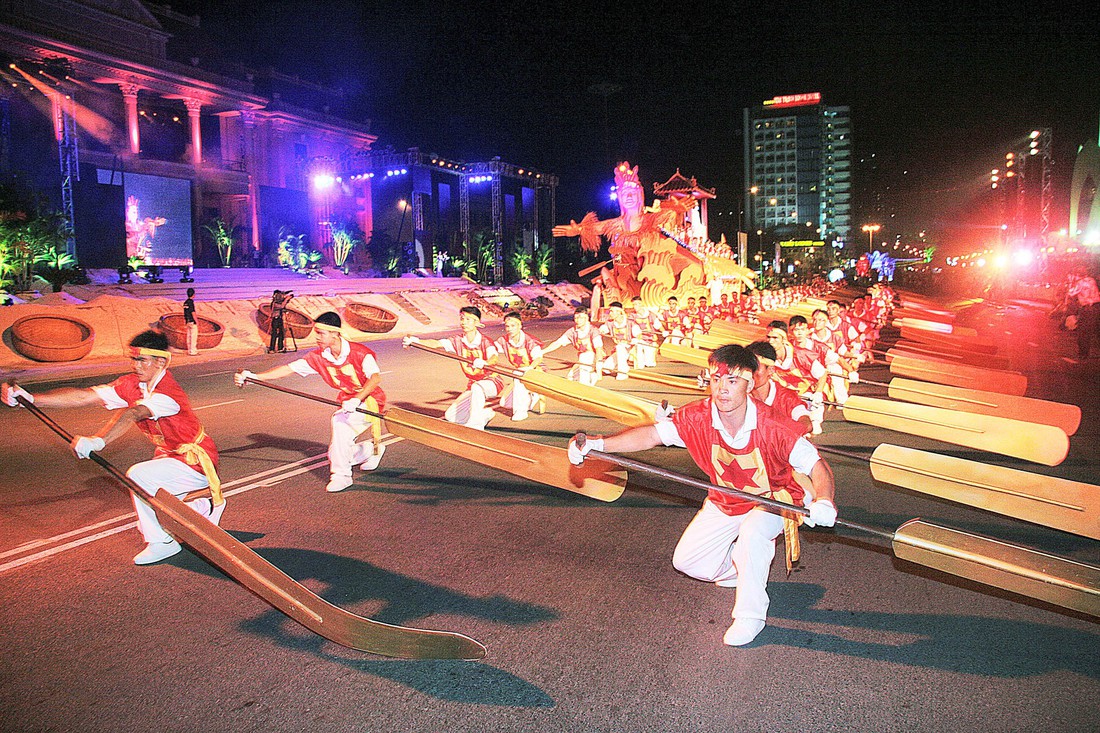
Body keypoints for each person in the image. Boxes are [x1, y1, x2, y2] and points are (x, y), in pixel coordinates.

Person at [568, 344, 836, 647]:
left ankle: (750, 616)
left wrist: (824, 500)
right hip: (725, 500)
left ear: (749, 382)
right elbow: (653, 434)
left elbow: (816, 464)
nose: (722, 389)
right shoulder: (696, 416)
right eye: (715, 380)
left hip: (774, 498)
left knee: (752, 535)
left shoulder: (773, 425)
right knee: (688, 562)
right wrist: (598, 444)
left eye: (732, 381)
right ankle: (739, 569)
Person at [2, 330, 224, 565]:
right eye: (133, 359)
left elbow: (134, 413)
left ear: (160, 362)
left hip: (196, 462)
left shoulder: (168, 393)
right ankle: (201, 506)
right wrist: (33, 399)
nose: (135, 365)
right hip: (168, 458)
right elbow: (84, 397)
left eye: (141, 360)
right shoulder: (133, 384)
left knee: (139, 476)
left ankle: (162, 542)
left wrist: (99, 440)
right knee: (153, 508)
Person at [237, 311, 386, 493]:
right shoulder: (319, 357)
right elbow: (288, 369)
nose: (316, 337)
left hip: (370, 400)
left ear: (335, 333)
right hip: (347, 402)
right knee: (336, 452)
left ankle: (342, 476)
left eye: (321, 333)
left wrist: (357, 399)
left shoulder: (361, 353)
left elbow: (375, 379)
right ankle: (371, 449)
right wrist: (255, 376)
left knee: (339, 424)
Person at [403, 306, 502, 430]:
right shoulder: (457, 340)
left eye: (468, 319)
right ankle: (485, 414)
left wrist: (485, 362)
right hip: (473, 384)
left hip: (492, 381)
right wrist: (416, 341)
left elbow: (494, 358)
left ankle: (476, 427)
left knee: (477, 388)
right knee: (451, 416)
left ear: (477, 322)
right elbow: (436, 343)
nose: (464, 322)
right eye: (462, 318)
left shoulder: (485, 341)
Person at [746, 341, 813, 435]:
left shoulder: (786, 397)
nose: (749, 372)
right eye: (746, 367)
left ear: (770, 370)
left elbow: (806, 424)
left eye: (755, 368)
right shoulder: (737, 393)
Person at [493, 311, 545, 421]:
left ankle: (521, 412)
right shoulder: (503, 340)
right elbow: (491, 350)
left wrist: (529, 369)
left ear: (520, 325)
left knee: (517, 374)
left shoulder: (530, 341)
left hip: (535, 370)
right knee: (504, 404)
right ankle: (532, 395)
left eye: (513, 326)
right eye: (507, 326)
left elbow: (538, 358)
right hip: (519, 373)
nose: (509, 329)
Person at [542, 306, 606, 386]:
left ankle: (585, 386)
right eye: (576, 318)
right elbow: (558, 343)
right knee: (571, 377)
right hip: (583, 360)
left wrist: (598, 366)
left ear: (586, 318)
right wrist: (543, 351)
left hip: (595, 358)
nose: (578, 320)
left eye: (580, 318)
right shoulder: (573, 331)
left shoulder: (593, 331)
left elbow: (598, 349)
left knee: (585, 357)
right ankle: (591, 376)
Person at [598, 301, 641, 380]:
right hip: (619, 349)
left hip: (630, 347)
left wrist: (635, 340)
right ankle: (624, 366)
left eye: (612, 311)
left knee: (620, 347)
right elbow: (601, 330)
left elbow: (638, 335)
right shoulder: (610, 323)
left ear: (619, 312)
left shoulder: (630, 322)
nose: (610, 313)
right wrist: (602, 331)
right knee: (606, 369)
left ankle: (622, 372)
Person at [1065, 267, 1100, 359]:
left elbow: (1071, 293)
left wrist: (1070, 283)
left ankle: (1083, 353)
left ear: (1077, 275)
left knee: (1082, 332)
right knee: (1090, 332)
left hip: (1086, 308)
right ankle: (1086, 353)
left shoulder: (1080, 283)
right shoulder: (1091, 281)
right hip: (1096, 307)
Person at [182, 287, 198, 356]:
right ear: (193, 294)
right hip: (192, 321)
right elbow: (192, 312)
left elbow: (185, 312)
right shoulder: (191, 302)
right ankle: (193, 351)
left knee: (188, 336)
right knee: (193, 336)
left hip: (187, 321)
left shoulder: (185, 303)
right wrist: (196, 321)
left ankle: (189, 350)